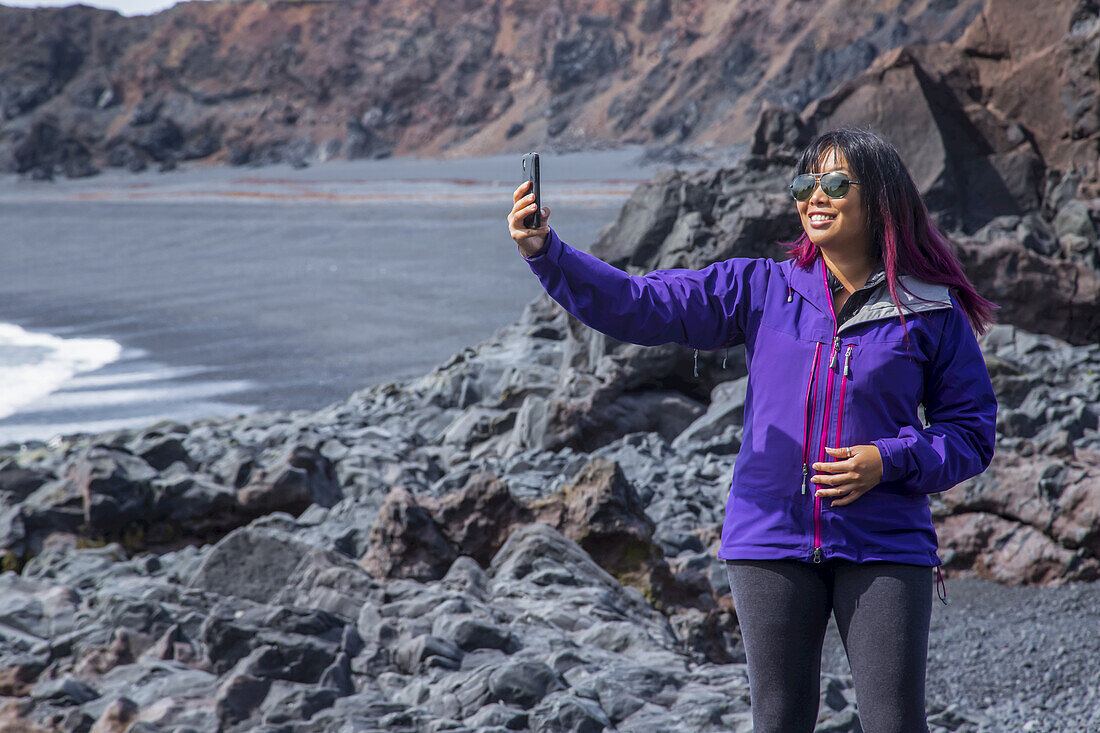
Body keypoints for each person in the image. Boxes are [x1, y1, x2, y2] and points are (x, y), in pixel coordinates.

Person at [507, 127, 998, 733]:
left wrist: (887, 459)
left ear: (881, 198)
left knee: (895, 722)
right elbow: (639, 303)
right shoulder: (760, 288)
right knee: (779, 719)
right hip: (769, 536)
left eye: (835, 182)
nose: (815, 196)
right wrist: (546, 252)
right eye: (804, 183)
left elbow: (971, 433)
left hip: (886, 540)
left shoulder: (931, 309)